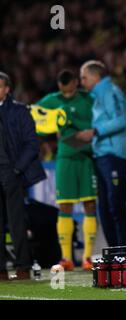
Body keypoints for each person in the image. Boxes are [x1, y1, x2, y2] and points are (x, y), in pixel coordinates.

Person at [36, 70, 97, 271]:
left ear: (75, 83)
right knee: (65, 206)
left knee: (89, 204)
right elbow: (35, 117)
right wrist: (48, 130)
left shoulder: (88, 98)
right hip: (65, 157)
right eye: (62, 88)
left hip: (86, 156)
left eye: (69, 87)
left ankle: (88, 257)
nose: (66, 92)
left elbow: (98, 121)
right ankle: (66, 258)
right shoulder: (52, 100)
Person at [77, 61, 126, 248]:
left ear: (95, 76)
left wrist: (94, 132)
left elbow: (121, 120)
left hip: (114, 155)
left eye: (84, 77)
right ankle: (114, 252)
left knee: (115, 205)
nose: (82, 81)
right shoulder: (98, 95)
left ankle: (125, 252)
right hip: (102, 155)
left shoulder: (110, 91)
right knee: (105, 208)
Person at [0, 72, 46, 281]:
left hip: (11, 172)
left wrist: (17, 169)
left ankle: (23, 267)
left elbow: (32, 143)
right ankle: (1, 270)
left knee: (17, 222)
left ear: (7, 89)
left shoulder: (19, 111)